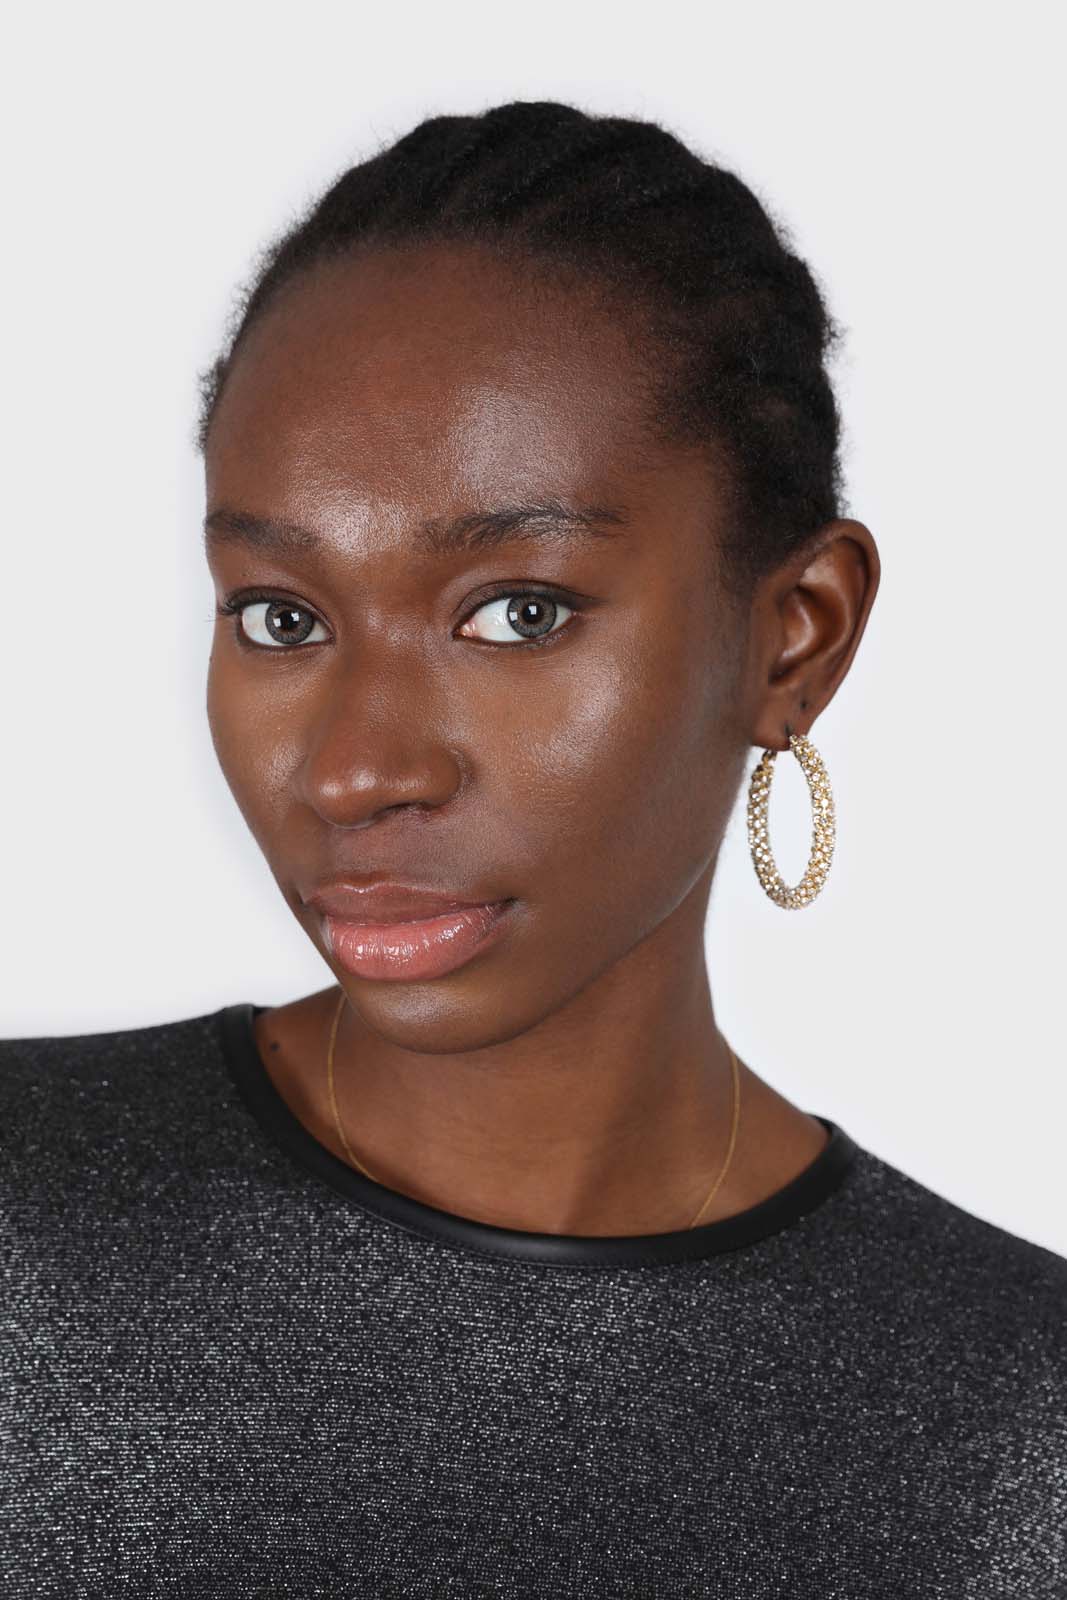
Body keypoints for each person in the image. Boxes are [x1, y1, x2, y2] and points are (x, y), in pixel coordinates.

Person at [3, 99, 1064, 1596]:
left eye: (518, 612)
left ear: (795, 637)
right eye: (282, 617)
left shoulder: (1018, 1423)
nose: (356, 770)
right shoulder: (27, 1212)